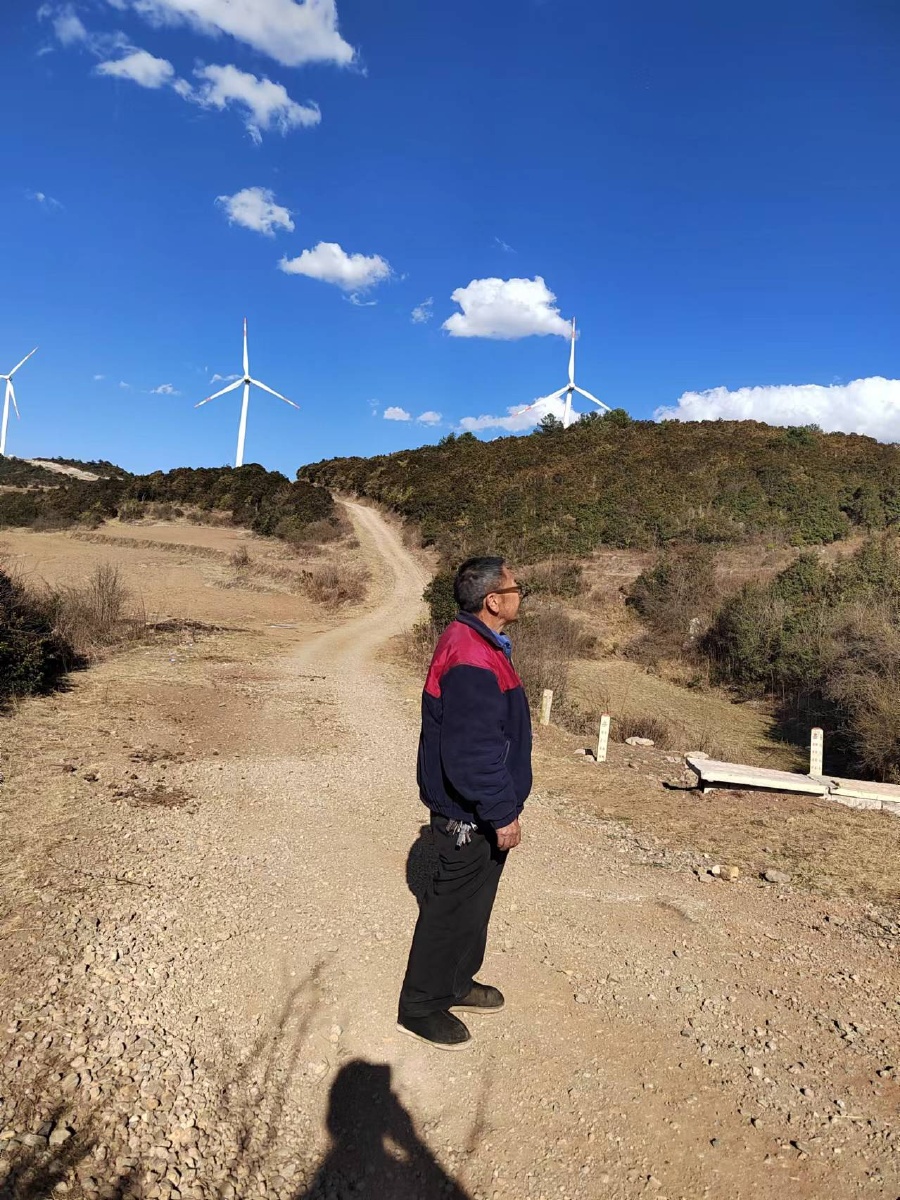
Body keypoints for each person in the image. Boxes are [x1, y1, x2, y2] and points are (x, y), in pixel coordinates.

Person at [397, 556, 532, 1050]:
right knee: (450, 909)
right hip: (467, 815)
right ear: (493, 601)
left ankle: (455, 983)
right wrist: (501, 813)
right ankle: (420, 1005)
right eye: (516, 588)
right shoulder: (471, 656)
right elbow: (472, 752)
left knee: (473, 907)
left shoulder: (478, 642)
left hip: (475, 812)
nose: (520, 595)